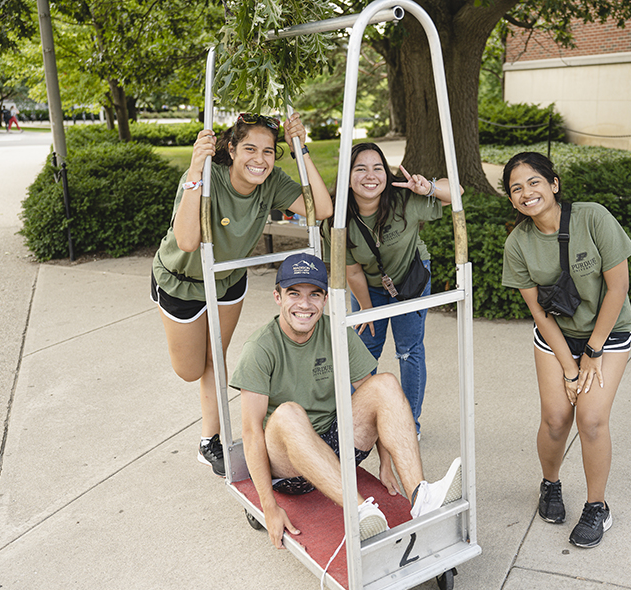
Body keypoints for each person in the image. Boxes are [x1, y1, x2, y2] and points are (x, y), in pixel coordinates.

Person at [231, 253, 463, 548]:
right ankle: (361, 513)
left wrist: (386, 463)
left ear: (325, 299)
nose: (304, 304)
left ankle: (422, 499)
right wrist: (268, 506)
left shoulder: (336, 332)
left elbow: (379, 402)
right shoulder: (260, 347)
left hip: (335, 446)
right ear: (278, 297)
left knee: (385, 383)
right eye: (294, 294)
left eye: (314, 295)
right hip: (289, 467)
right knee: (289, 413)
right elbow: (252, 432)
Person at [151, 112, 333, 477]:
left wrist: (301, 149)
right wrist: (194, 171)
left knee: (215, 358)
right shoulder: (207, 177)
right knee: (190, 369)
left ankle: (209, 441)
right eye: (250, 148)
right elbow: (187, 241)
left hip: (228, 279)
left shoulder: (272, 182)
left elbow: (322, 209)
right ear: (232, 149)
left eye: (268, 151)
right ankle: (209, 432)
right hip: (181, 281)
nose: (260, 159)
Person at [501, 152, 631, 549]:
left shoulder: (593, 217)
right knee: (556, 419)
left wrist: (592, 353)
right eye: (516, 188)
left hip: (607, 333)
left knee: (591, 420)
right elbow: (539, 313)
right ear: (511, 199)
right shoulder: (518, 244)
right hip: (557, 334)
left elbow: (618, 288)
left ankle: (597, 507)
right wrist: (570, 369)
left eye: (534, 182)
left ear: (554, 184)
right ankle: (550, 484)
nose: (526, 193)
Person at [321, 142, 462, 438]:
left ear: (386, 174)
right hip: (368, 286)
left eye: (377, 168)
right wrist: (366, 308)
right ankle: (359, 421)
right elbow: (351, 270)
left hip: (410, 279)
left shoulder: (404, 200)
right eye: (360, 168)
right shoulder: (336, 219)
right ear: (347, 176)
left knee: (409, 350)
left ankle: (409, 424)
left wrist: (429, 188)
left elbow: (457, 193)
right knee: (364, 350)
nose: (370, 176)